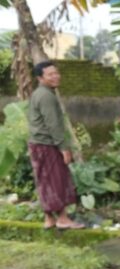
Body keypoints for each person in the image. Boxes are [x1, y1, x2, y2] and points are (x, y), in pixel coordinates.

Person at [27, 61, 84, 230]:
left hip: (37, 144)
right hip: (47, 145)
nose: (56, 77)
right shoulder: (46, 96)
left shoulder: (39, 93)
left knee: (44, 180)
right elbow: (53, 125)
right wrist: (63, 147)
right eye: (50, 74)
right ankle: (63, 219)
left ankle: (49, 218)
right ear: (40, 78)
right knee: (57, 180)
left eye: (56, 73)